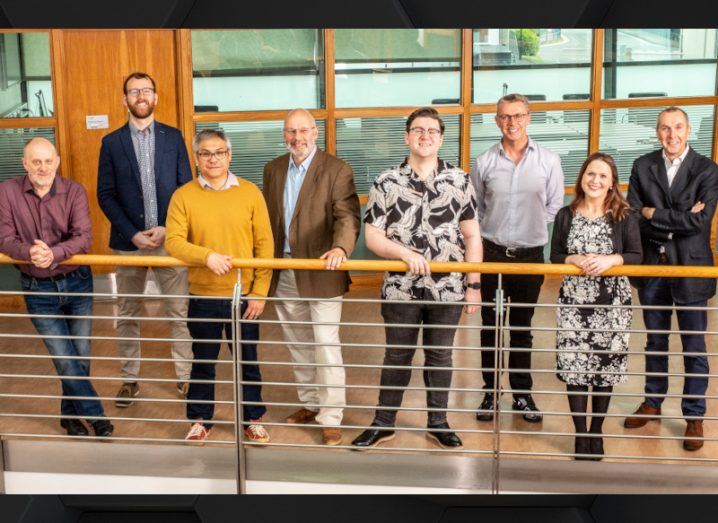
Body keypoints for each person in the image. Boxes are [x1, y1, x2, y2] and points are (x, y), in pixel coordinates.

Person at [351, 107, 482, 450]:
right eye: (418, 130)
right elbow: (373, 237)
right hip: (400, 287)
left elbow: (471, 237)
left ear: (441, 138)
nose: (425, 136)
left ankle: (438, 422)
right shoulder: (386, 181)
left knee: (440, 356)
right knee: (397, 355)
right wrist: (405, 254)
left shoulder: (460, 180)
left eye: (432, 131)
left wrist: (474, 286)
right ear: (407, 136)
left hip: (449, 287)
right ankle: (383, 423)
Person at [165, 129, 274, 444]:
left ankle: (252, 419)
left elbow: (265, 245)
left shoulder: (250, 192)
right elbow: (173, 241)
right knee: (203, 361)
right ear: (196, 158)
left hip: (245, 298)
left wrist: (260, 293)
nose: (213, 159)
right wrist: (206, 256)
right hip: (203, 295)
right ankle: (200, 420)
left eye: (219, 152)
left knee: (247, 360)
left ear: (230, 155)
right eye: (205, 153)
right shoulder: (183, 195)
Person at [0, 138, 113, 438]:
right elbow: (4, 238)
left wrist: (53, 253)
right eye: (36, 162)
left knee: (80, 355)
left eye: (48, 161)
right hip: (38, 288)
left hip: (77, 283)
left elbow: (83, 237)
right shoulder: (7, 192)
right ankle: (97, 417)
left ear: (57, 162)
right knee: (64, 357)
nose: (43, 167)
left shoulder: (73, 190)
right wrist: (30, 253)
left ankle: (70, 417)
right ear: (25, 164)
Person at [262, 109, 360, 446]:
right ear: (283, 133)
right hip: (285, 269)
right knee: (297, 342)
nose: (297, 137)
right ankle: (310, 403)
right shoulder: (273, 169)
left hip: (322, 270)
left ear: (316, 132)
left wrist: (340, 249)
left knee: (325, 344)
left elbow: (347, 216)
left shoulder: (337, 169)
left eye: (303, 130)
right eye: (291, 131)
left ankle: (331, 417)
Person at [97, 71, 193, 407]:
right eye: (134, 91)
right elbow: (105, 195)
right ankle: (129, 380)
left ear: (155, 96)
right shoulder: (111, 143)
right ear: (125, 99)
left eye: (146, 90)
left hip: (171, 240)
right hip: (128, 243)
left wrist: (169, 227)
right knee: (127, 315)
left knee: (179, 313)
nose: (141, 95)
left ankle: (185, 378)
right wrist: (133, 234)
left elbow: (186, 189)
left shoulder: (173, 137)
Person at [625, 106, 718, 451]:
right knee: (655, 342)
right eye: (665, 128)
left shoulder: (707, 170)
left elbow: (700, 223)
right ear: (657, 131)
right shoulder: (642, 165)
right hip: (653, 269)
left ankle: (694, 415)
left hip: (691, 269)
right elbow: (633, 218)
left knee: (694, 347)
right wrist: (676, 218)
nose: (672, 135)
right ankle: (652, 402)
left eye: (678, 127)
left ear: (689, 130)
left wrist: (655, 214)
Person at [470, 93, 564, 423]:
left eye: (519, 115)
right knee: (490, 328)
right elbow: (477, 209)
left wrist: (530, 227)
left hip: (529, 258)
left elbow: (553, 206)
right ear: (497, 120)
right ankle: (490, 394)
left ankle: (522, 395)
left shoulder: (549, 161)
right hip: (493, 256)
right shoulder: (483, 162)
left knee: (522, 329)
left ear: (529, 118)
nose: (512, 122)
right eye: (506, 116)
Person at [550, 152, 642, 461]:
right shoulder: (566, 214)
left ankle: (596, 431)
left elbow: (635, 255)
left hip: (612, 305)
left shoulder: (623, 215)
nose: (595, 180)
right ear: (582, 178)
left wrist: (610, 260)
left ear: (612, 182)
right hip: (574, 304)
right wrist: (573, 259)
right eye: (591, 174)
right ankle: (579, 434)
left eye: (603, 176)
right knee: (576, 369)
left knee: (605, 369)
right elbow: (555, 255)